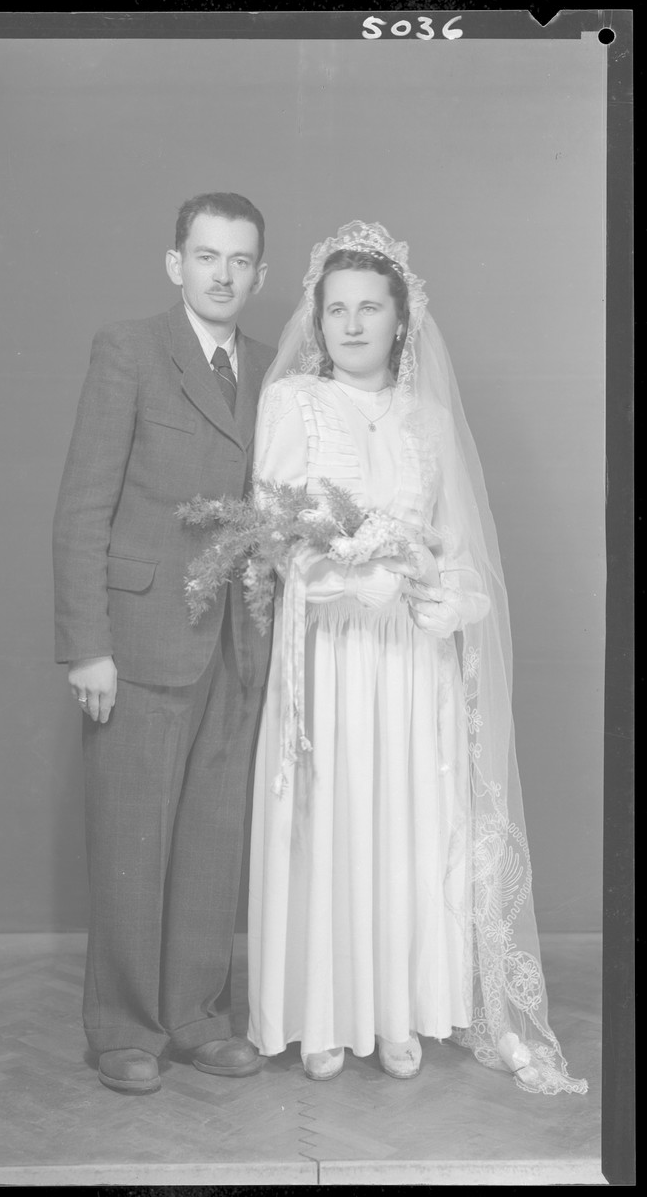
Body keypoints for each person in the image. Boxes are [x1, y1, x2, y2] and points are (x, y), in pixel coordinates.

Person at [247, 221, 587, 1095]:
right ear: (315, 321)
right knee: (332, 822)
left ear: (401, 321)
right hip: (329, 651)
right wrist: (334, 579)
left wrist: (454, 596)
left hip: (408, 659)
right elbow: (272, 530)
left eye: (370, 309)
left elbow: (456, 542)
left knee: (404, 823)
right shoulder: (291, 402)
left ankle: (397, 1013)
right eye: (335, 310)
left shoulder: (427, 420)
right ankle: (323, 1017)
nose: (351, 325)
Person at [52, 193, 275, 1095]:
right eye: (206, 255)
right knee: (131, 839)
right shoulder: (129, 351)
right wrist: (85, 647)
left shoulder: (275, 369)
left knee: (212, 841)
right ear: (174, 263)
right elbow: (82, 508)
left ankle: (195, 1019)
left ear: (259, 274)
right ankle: (123, 1029)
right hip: (139, 641)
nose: (222, 274)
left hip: (238, 644)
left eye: (240, 259)